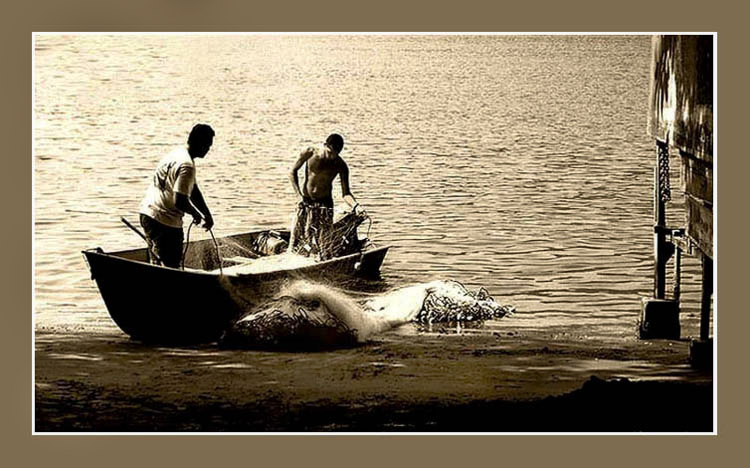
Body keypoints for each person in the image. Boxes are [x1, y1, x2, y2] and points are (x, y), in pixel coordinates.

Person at [138, 124, 215, 268]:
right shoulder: (187, 166)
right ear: (199, 142)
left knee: (157, 262)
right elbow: (179, 200)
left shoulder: (177, 154)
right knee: (171, 266)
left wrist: (206, 214)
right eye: (207, 146)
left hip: (147, 214)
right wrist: (195, 214)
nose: (208, 150)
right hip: (164, 221)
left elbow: (193, 190)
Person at [288, 133, 365, 259]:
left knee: (324, 240)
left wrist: (356, 206)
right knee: (300, 233)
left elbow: (346, 193)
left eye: (335, 154)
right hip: (306, 201)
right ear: (325, 146)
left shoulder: (341, 165)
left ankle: (322, 258)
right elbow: (292, 172)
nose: (331, 156)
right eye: (330, 152)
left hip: (325, 202)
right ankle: (291, 254)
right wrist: (299, 197)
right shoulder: (310, 152)